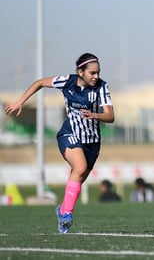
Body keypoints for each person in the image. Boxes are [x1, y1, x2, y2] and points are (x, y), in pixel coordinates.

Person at [4, 53, 114, 234]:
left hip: (92, 142)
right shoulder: (67, 82)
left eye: (98, 73)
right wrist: (20, 102)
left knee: (79, 176)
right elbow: (39, 82)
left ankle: (62, 209)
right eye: (92, 73)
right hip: (69, 134)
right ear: (80, 71)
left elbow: (110, 116)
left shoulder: (102, 87)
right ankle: (66, 215)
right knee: (80, 167)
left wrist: (96, 115)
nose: (96, 76)